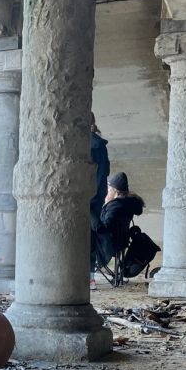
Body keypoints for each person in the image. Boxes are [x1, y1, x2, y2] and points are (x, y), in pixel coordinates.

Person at [93, 172, 145, 273]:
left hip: (108, 244)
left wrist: (94, 217)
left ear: (115, 190)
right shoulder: (128, 204)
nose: (106, 191)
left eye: (108, 189)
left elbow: (106, 227)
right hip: (122, 243)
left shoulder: (115, 206)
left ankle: (89, 274)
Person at [88, 113, 110, 287]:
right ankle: (90, 275)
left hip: (87, 196)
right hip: (96, 196)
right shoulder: (100, 145)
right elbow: (104, 174)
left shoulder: (87, 145)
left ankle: (86, 276)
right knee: (90, 236)